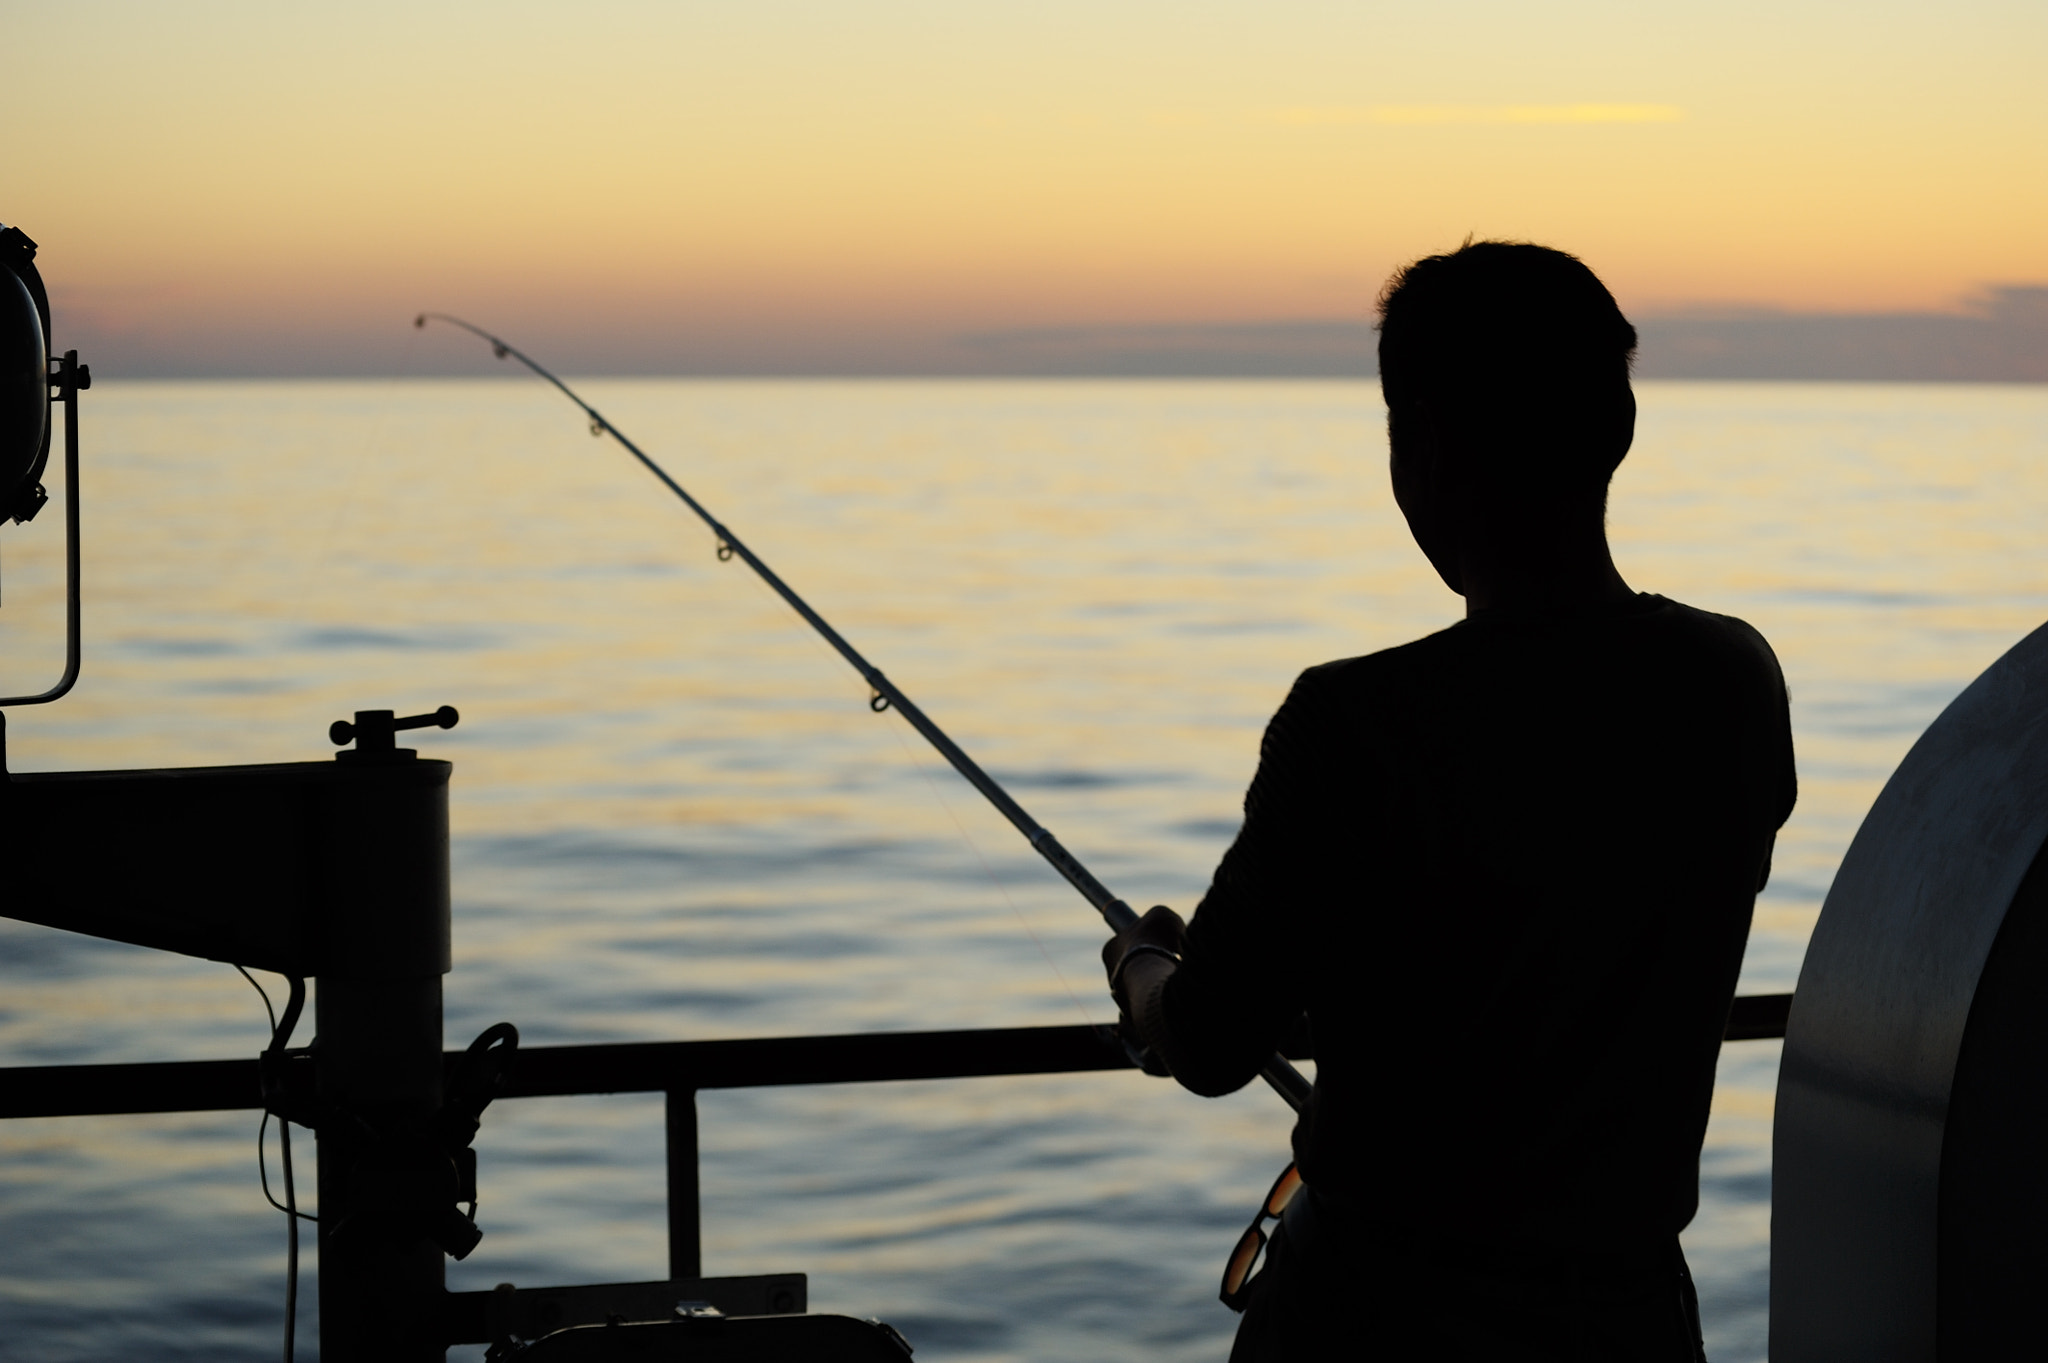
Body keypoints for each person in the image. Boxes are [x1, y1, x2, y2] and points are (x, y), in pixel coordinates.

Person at [1102, 240, 1796, 1361]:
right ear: (1613, 429)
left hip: (1375, 1319)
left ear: (1417, 443)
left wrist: (1139, 972)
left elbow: (1211, 1041)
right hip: (1623, 1320)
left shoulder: (1352, 725)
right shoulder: (1730, 684)